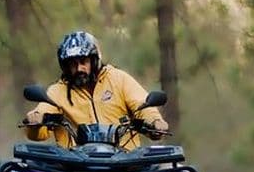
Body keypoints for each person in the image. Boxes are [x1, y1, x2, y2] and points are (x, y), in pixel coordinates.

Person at [25, 30, 169, 150]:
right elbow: (42, 118)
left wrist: (155, 122)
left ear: (94, 60)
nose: (79, 68)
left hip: (125, 162)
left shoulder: (118, 79)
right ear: (66, 67)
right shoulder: (57, 91)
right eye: (73, 64)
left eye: (83, 62)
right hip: (73, 165)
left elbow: (142, 105)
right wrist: (35, 119)